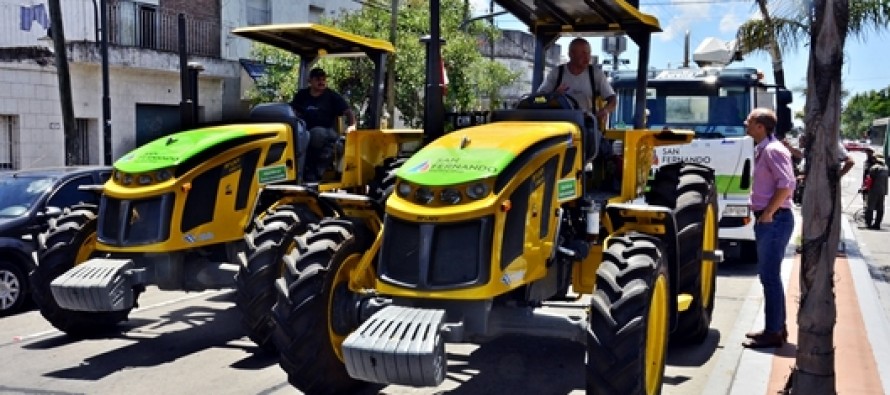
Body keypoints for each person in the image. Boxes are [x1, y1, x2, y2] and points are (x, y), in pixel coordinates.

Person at [743, 108, 796, 349]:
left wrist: (767, 214)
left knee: (769, 277)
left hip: (775, 221)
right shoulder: (765, 149)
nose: (746, 123)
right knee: (769, 277)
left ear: (761, 127)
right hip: (772, 220)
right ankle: (776, 327)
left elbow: (786, 185)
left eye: (750, 120)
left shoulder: (773, 151)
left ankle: (774, 331)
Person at [536, 38, 616, 160]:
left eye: (588, 53)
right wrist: (554, 95)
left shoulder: (595, 74)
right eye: (583, 53)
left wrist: (605, 110)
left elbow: (612, 99)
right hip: (559, 123)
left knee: (601, 148)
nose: (587, 57)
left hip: (586, 123)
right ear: (571, 54)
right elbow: (539, 99)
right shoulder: (557, 73)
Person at [290, 67, 356, 181]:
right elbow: (292, 109)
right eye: (318, 79)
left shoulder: (332, 96)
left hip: (328, 132)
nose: (321, 82)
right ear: (309, 81)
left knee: (316, 134)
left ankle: (315, 173)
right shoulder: (302, 95)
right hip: (304, 132)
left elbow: (348, 112)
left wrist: (352, 126)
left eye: (323, 79)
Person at [864, 154, 888, 230]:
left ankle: (869, 224)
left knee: (870, 207)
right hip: (883, 191)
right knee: (880, 208)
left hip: (874, 190)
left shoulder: (874, 168)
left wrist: (864, 188)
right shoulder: (886, 168)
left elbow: (869, 180)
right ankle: (877, 224)